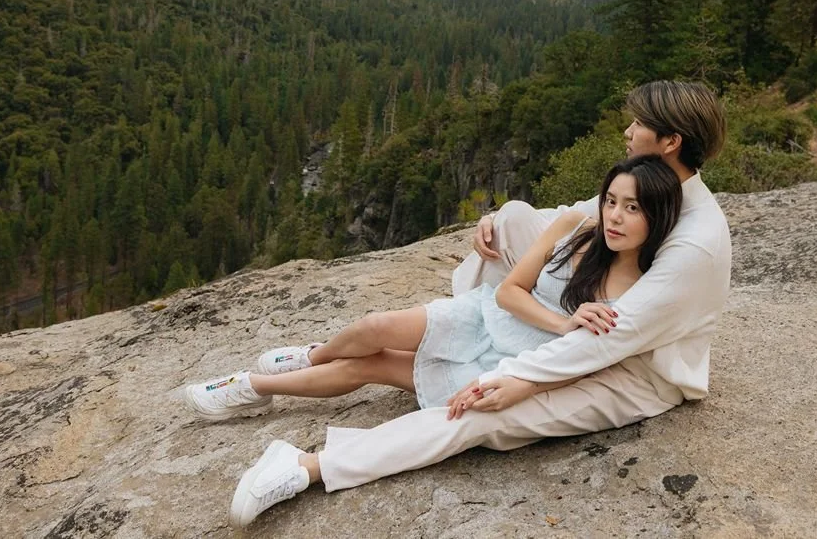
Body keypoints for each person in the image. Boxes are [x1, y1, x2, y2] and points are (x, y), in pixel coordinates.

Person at [224, 79, 731, 528]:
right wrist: (497, 221)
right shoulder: (655, 189)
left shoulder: (695, 244)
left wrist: (512, 381)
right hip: (591, 327)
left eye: (640, 123)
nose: (628, 129)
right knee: (513, 217)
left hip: (634, 369)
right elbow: (580, 214)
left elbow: (611, 336)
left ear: (670, 141)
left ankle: (305, 465)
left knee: (483, 415)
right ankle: (470, 334)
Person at [180, 155, 680, 422]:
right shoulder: (574, 224)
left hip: (503, 363)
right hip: (489, 314)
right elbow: (509, 291)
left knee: (369, 366)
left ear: (654, 218)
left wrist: (556, 339)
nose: (615, 215)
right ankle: (312, 357)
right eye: (612, 200)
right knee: (377, 326)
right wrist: (562, 318)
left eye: (632, 208)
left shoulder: (640, 291)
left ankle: (251, 387)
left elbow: (583, 361)